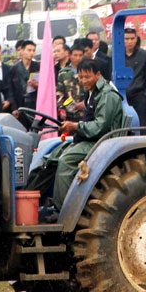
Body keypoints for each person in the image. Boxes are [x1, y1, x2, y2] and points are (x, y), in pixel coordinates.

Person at [37, 59, 124, 208]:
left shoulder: (107, 95)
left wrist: (75, 126)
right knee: (50, 156)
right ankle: (34, 199)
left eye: (87, 77)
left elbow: (99, 127)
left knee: (65, 161)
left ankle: (63, 210)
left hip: (102, 141)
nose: (84, 81)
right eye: (81, 77)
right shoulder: (92, 92)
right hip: (89, 138)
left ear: (98, 74)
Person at [122, 28, 146, 127]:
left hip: (139, 96)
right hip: (122, 96)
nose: (129, 42)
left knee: (142, 124)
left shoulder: (144, 55)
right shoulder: (117, 55)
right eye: (126, 39)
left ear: (136, 39)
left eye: (132, 38)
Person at [57, 43, 86, 121]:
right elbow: (60, 93)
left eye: (80, 55)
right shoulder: (63, 73)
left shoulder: (89, 71)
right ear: (70, 56)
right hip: (69, 114)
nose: (78, 58)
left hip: (86, 113)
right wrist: (61, 109)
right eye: (75, 55)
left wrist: (85, 103)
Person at [11, 40, 39, 116]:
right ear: (22, 51)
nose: (32, 53)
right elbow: (11, 90)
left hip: (35, 104)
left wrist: (36, 85)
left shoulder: (38, 67)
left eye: (33, 50)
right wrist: (14, 107)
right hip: (20, 105)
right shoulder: (14, 69)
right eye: (29, 50)